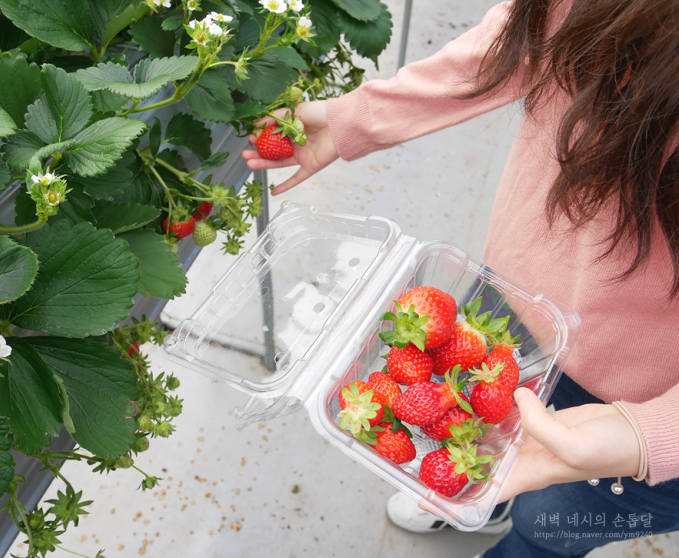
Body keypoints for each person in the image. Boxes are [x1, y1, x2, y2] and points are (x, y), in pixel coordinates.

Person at [242, 0, 679, 556]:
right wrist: (359, 117)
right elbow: (524, 34)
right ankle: (477, 495)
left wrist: (644, 436)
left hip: (642, 393)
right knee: (471, 435)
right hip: (515, 291)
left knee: (549, 524)